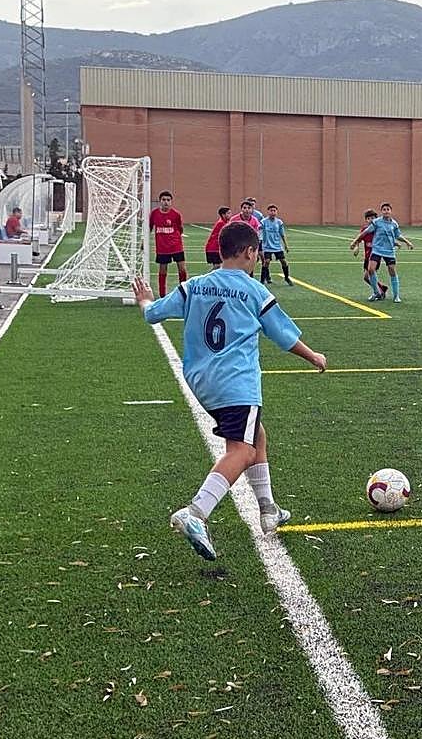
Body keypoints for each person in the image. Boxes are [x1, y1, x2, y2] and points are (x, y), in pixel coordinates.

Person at [132, 221, 327, 561]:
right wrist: (313, 356)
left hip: (201, 382)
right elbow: (282, 335)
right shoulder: (254, 291)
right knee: (242, 450)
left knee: (257, 435)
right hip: (236, 382)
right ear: (250, 252)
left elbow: (153, 314)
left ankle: (268, 508)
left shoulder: (194, 285)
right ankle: (196, 511)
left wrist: (146, 300)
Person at [348, 202, 414, 302]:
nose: (386, 211)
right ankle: (376, 292)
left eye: (388, 209)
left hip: (389, 251)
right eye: (384, 209)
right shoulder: (377, 222)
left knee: (392, 271)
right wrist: (355, 241)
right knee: (370, 270)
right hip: (377, 250)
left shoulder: (394, 224)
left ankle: (396, 296)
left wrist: (407, 242)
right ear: (381, 211)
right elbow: (365, 232)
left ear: (391, 211)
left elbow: (397, 235)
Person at [149, 191, 187, 297]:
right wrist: (144, 240)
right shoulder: (154, 214)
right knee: (163, 270)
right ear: (160, 201)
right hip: (162, 248)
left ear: (171, 202)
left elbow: (180, 229)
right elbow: (149, 227)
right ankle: (162, 295)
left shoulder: (176, 214)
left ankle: (184, 291)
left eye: (168, 200)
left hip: (176, 246)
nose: (166, 202)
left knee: (182, 268)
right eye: (164, 200)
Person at [352, 209, 389, 300]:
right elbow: (359, 239)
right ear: (366, 220)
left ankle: (378, 292)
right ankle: (381, 288)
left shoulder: (378, 230)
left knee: (369, 275)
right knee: (366, 278)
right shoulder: (365, 230)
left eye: (373, 218)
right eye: (369, 218)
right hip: (367, 257)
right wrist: (357, 247)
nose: (371, 220)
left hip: (375, 257)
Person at [260, 205, 293, 286]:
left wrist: (286, 245)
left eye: (274, 210)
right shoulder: (263, 222)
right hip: (267, 246)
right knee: (266, 262)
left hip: (277, 246)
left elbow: (282, 234)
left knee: (284, 261)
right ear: (268, 212)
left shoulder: (279, 222)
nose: (273, 212)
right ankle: (262, 280)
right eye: (271, 210)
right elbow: (259, 231)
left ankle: (286, 277)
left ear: (276, 212)